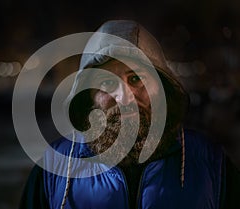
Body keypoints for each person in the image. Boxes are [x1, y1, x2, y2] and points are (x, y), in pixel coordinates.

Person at [19, 20, 239, 209]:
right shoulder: (55, 169)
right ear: (88, 98)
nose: (125, 98)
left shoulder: (210, 163)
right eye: (106, 82)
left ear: (163, 89)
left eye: (136, 79)